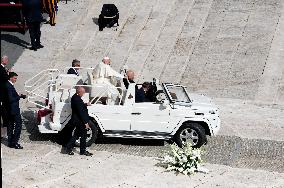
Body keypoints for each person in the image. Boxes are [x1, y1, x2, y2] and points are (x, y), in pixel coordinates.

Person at [66, 86, 93, 156]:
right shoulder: (77, 99)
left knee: (76, 135)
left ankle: (68, 148)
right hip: (80, 121)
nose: (83, 94)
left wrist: (85, 104)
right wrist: (86, 123)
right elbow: (81, 112)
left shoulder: (75, 97)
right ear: (79, 92)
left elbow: (79, 106)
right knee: (83, 136)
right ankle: (82, 151)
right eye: (83, 93)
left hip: (77, 120)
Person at [6, 72, 26, 149]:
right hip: (13, 110)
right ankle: (15, 143)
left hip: (9, 110)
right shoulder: (9, 86)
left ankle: (10, 142)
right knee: (18, 125)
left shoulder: (8, 85)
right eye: (15, 78)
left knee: (10, 125)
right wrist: (19, 96)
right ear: (10, 78)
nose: (16, 80)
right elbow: (11, 99)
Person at [0, 56, 10, 136]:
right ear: (4, 61)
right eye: (7, 60)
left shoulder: (2, 68)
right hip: (2, 92)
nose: (7, 61)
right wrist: (8, 73)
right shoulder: (2, 69)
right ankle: (5, 123)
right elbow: (6, 78)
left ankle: (6, 122)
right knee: (3, 108)